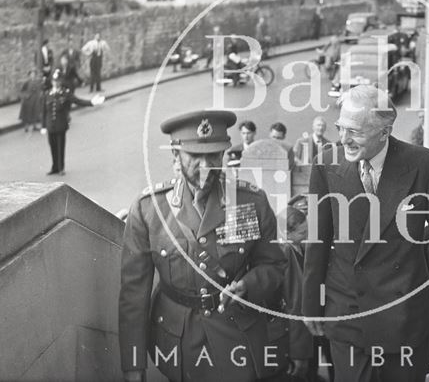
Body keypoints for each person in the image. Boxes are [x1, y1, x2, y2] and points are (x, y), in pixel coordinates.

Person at [302, 84, 429, 382]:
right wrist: (311, 305)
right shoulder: (325, 166)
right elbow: (317, 242)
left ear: (385, 131)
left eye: (354, 132)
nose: (343, 139)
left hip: (405, 319)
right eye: (341, 128)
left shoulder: (426, 166)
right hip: (347, 318)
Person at [118, 110, 288, 382]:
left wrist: (250, 285)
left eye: (213, 156)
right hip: (179, 343)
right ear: (176, 156)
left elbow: (274, 265)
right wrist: (134, 366)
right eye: (195, 157)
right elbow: (133, 295)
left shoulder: (249, 202)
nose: (206, 165)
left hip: (237, 336)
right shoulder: (149, 209)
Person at [277, 204, 314, 381]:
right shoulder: (286, 253)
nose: (306, 236)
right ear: (286, 234)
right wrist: (299, 352)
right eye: (302, 233)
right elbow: (294, 301)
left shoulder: (297, 247)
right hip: (297, 337)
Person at [41, 68, 102, 175]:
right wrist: (43, 126)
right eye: (54, 81)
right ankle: (54, 167)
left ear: (61, 82)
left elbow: (78, 101)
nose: (56, 83)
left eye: (58, 81)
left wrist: (92, 102)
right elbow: (44, 111)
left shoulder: (65, 93)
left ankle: (61, 168)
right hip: (51, 126)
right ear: (52, 82)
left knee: (60, 147)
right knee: (52, 147)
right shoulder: (47, 94)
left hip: (61, 125)